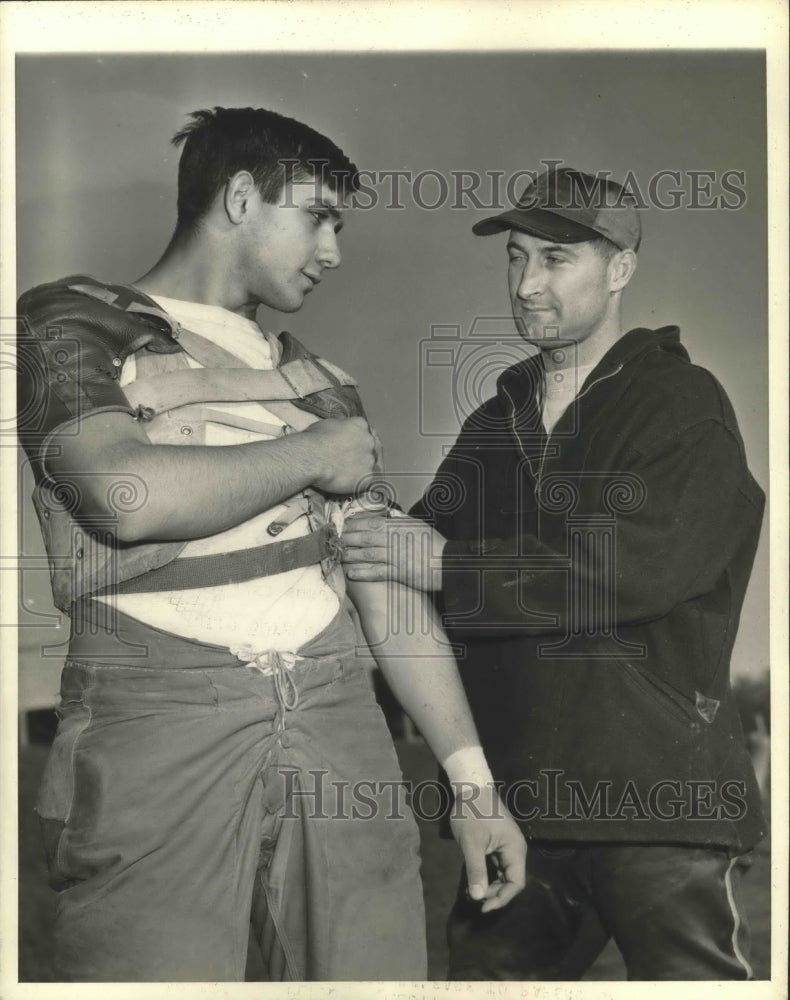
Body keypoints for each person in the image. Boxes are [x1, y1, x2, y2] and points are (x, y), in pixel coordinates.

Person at [16, 106, 526, 982]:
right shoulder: (70, 323)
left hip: (338, 709)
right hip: (157, 717)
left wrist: (473, 785)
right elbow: (123, 496)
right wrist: (313, 456)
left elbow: (387, 593)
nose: (333, 250)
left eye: (340, 226)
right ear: (242, 198)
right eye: (318, 217)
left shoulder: (322, 384)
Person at [342, 165, 767, 980]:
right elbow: (406, 564)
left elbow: (640, 569)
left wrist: (449, 564)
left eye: (555, 259)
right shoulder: (493, 424)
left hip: (658, 797)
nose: (526, 283)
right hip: (521, 801)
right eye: (515, 258)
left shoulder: (682, 402)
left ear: (620, 268)